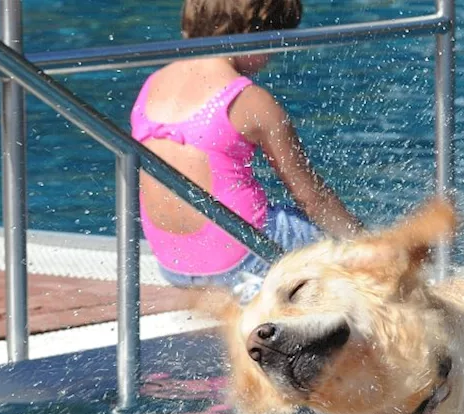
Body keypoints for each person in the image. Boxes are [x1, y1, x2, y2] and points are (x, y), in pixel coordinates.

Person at [130, 0, 362, 290]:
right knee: (340, 246)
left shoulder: (153, 84)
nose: (274, 53)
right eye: (276, 40)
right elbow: (313, 199)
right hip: (244, 260)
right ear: (255, 31)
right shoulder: (247, 99)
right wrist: (365, 241)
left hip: (174, 264)